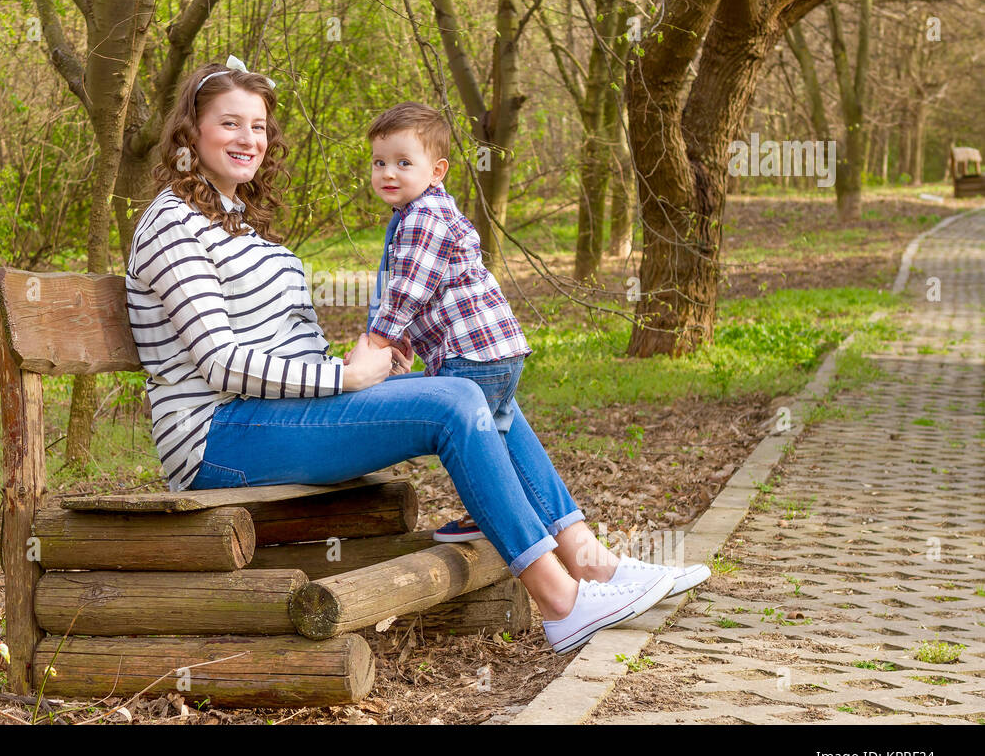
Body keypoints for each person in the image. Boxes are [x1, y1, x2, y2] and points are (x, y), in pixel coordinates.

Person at [125, 58, 695, 653]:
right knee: (456, 402)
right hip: (221, 438)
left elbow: (290, 346)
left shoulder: (243, 223)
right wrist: (344, 376)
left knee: (480, 387)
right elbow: (221, 363)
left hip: (278, 416)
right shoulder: (172, 223)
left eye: (259, 126)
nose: (249, 140)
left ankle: (590, 561)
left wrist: (378, 367)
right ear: (191, 131)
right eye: (230, 124)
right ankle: (560, 602)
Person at [362, 101, 532, 544]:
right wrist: (411, 340)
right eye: (380, 163)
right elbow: (437, 290)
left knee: (466, 444)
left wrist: (378, 340)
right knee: (492, 437)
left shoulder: (422, 218)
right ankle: (510, 510)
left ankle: (492, 515)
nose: (388, 173)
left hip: (471, 357)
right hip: (501, 351)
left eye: (403, 163)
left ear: (436, 170)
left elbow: (408, 290)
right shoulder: (433, 211)